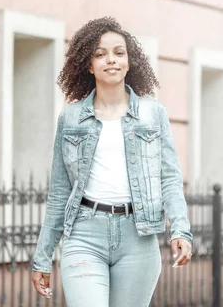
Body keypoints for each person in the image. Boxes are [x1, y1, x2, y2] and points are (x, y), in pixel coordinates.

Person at [31, 17, 193, 306]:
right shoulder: (71, 118)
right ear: (88, 64)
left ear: (130, 62)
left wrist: (180, 229)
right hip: (84, 235)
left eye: (119, 53)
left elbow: (169, 177)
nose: (111, 60)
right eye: (100, 53)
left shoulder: (152, 114)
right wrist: (42, 257)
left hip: (138, 239)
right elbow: (58, 192)